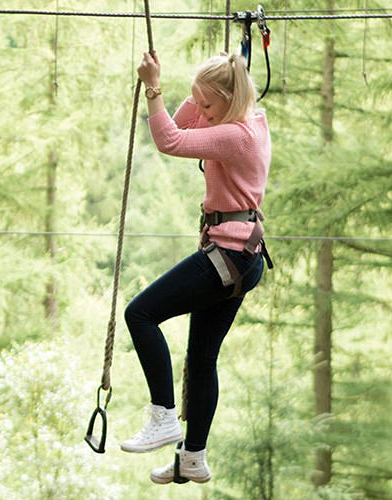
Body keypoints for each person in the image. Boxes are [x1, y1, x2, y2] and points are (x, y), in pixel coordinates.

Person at [120, 51, 271, 485]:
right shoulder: (249, 118)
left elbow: (170, 139)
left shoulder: (237, 136)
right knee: (202, 359)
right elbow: (186, 122)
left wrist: (154, 87)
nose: (200, 111)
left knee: (140, 314)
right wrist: (200, 89)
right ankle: (193, 457)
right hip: (242, 258)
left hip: (226, 258)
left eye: (207, 105)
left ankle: (164, 416)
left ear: (229, 100)